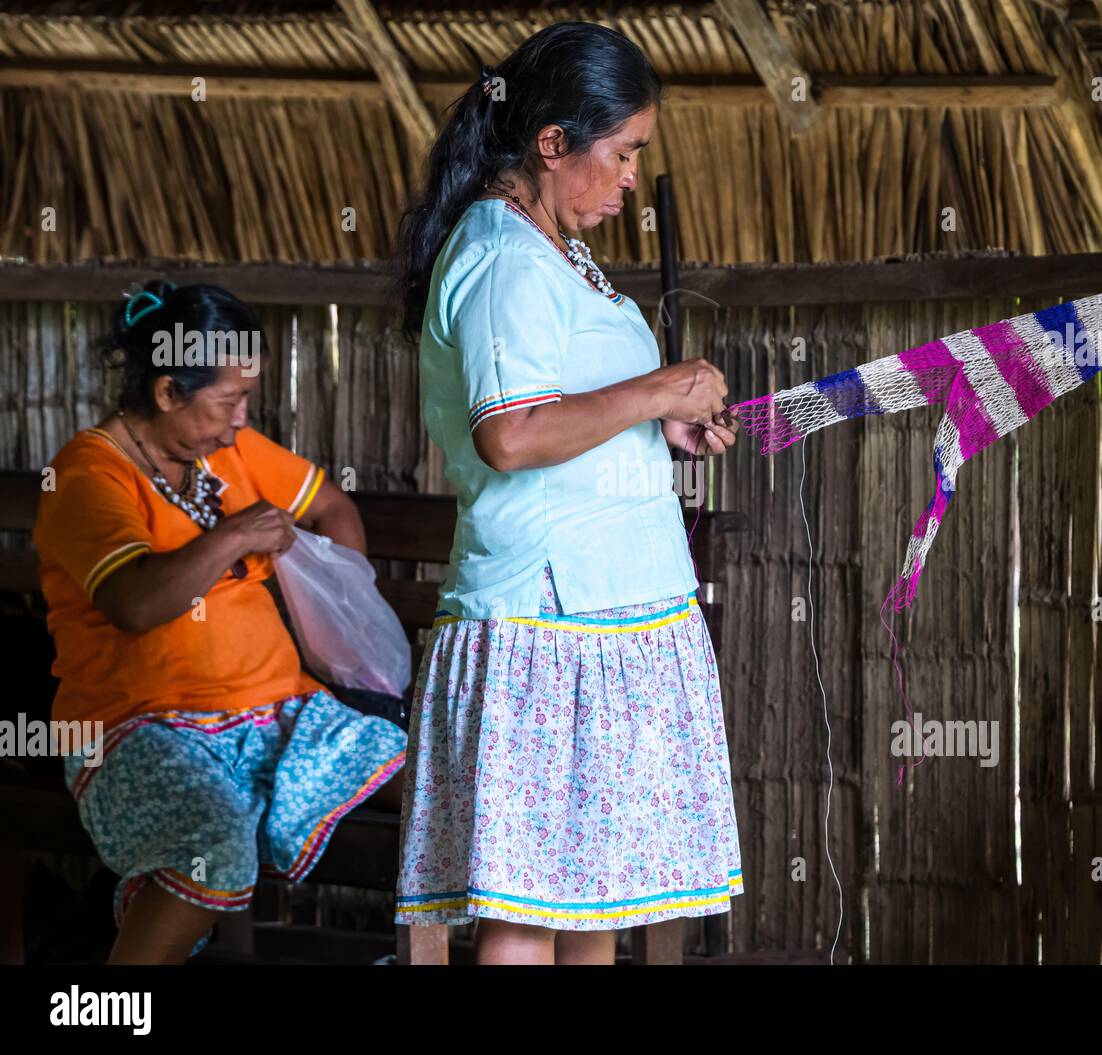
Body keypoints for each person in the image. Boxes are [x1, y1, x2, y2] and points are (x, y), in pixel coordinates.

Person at [392, 21, 744, 964]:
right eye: (623, 152)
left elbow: (564, 411)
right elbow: (510, 434)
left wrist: (654, 426)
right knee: (528, 911)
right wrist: (659, 388)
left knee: (590, 901)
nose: (632, 176)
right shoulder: (503, 254)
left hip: (607, 609)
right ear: (553, 144)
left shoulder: (553, 252)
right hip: (548, 621)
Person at [33, 281, 408, 964]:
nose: (241, 420)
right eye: (228, 401)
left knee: (429, 781)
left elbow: (331, 507)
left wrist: (334, 613)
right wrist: (234, 537)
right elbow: (135, 603)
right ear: (169, 391)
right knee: (213, 838)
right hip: (140, 729)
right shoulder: (87, 477)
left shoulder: (226, 452)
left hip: (280, 711)